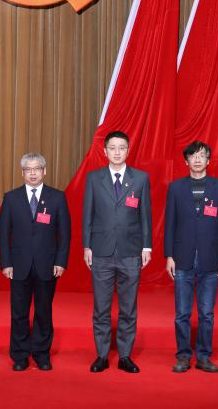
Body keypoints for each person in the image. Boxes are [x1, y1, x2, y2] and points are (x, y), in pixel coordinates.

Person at [82, 130, 152, 373]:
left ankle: (125, 356)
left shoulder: (140, 179)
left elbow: (145, 215)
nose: (117, 152)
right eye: (112, 148)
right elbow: (87, 214)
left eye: (122, 148)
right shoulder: (94, 178)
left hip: (130, 252)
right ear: (105, 151)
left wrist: (146, 246)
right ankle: (101, 355)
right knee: (101, 307)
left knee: (128, 308)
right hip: (100, 251)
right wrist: (87, 246)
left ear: (128, 150)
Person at [0, 153, 71, 371]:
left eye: (37, 168)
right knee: (18, 313)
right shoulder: (11, 198)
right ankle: (20, 355)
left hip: (47, 264)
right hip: (18, 265)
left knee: (43, 311)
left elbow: (65, 234)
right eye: (28, 169)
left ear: (44, 171)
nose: (32, 173)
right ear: (22, 172)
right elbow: (3, 234)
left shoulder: (57, 197)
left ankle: (41, 354)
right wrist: (6, 263)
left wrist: (61, 261)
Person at [164, 141, 218, 373]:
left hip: (210, 258)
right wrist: (169, 255)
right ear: (186, 161)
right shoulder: (175, 188)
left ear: (208, 160)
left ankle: (203, 357)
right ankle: (183, 356)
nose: (198, 159)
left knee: (206, 314)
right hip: (182, 258)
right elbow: (169, 224)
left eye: (202, 155)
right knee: (182, 313)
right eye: (193, 156)